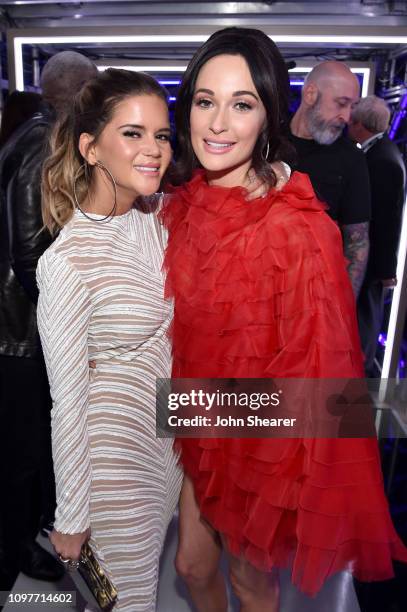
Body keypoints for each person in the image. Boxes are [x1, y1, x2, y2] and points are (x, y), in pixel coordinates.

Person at [160, 27, 407, 612]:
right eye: (205, 101)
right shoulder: (186, 202)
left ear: (268, 114)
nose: (217, 124)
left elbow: (314, 372)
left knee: (251, 584)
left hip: (257, 440)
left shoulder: (296, 224)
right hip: (197, 415)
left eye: (240, 105)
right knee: (192, 567)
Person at [37, 67, 185, 611]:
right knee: (130, 602)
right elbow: (68, 402)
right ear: (91, 149)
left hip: (165, 449)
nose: (153, 150)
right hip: (112, 464)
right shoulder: (66, 263)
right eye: (133, 133)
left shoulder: (158, 217)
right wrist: (73, 517)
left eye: (162, 135)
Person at [0, 51, 98, 589]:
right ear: (80, 94)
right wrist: (68, 313)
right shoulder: (42, 139)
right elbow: (27, 246)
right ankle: (10, 558)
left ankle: (19, 546)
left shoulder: (40, 133)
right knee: (21, 455)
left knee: (28, 452)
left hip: (22, 325)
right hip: (17, 330)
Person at [290, 61, 371, 297]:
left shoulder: (352, 159)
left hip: (314, 298)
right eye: (341, 104)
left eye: (351, 107)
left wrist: (340, 312)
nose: (347, 117)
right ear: (310, 94)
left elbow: (357, 245)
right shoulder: (267, 143)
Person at [348, 95, 406, 376]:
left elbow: (388, 219)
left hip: (372, 260)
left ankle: (361, 382)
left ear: (360, 124)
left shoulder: (383, 159)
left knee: (366, 322)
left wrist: (386, 269)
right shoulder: (378, 152)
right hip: (369, 256)